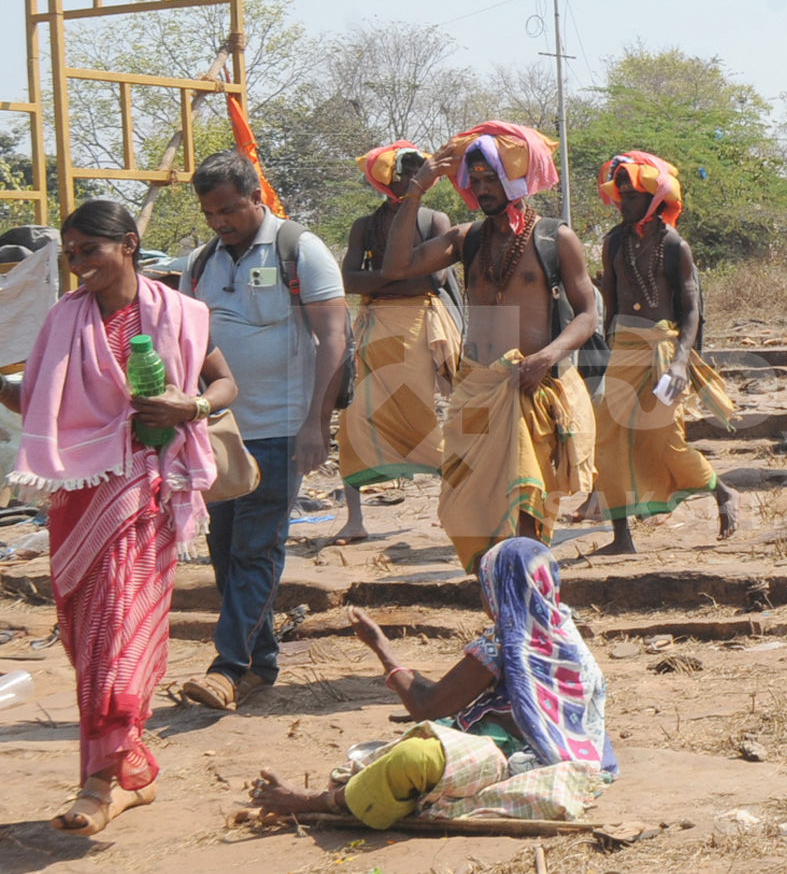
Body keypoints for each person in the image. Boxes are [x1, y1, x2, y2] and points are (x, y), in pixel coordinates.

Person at [3, 200, 236, 835]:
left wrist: (188, 407)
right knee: (88, 637)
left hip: (146, 489)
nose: (78, 264)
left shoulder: (181, 314)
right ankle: (130, 772)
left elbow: (224, 385)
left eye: (89, 250)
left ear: (129, 244)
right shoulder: (61, 321)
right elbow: (36, 402)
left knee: (118, 632)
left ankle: (99, 784)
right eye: (71, 253)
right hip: (78, 496)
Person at [247, 537, 617, 828]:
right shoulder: (566, 630)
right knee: (409, 750)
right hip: (571, 757)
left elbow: (428, 704)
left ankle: (314, 802)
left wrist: (381, 648)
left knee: (413, 757)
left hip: (507, 760)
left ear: (498, 590)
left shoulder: (505, 644)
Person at [378, 121, 597, 575]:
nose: (480, 188)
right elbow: (396, 266)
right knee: (466, 511)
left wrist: (547, 356)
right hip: (477, 390)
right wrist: (416, 190)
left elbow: (587, 313)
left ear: (516, 176)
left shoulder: (557, 238)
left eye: (490, 178)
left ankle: (533, 608)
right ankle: (501, 607)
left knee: (524, 511)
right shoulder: (467, 238)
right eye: (473, 180)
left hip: (530, 390)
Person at [181, 150, 348, 710]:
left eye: (228, 208)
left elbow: (334, 341)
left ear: (257, 196)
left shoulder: (300, 249)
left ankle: (227, 667)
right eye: (210, 213)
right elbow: (187, 348)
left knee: (256, 551)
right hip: (219, 432)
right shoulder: (200, 263)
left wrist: (315, 425)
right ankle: (260, 664)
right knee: (227, 553)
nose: (219, 221)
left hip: (280, 430)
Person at [587, 151, 739, 555]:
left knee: (664, 438)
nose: (623, 201)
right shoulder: (614, 241)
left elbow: (691, 309)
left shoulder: (674, 245)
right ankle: (622, 538)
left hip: (662, 352)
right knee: (608, 437)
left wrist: (680, 361)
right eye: (619, 194)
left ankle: (720, 490)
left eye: (631, 195)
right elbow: (613, 304)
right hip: (623, 350)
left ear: (653, 199)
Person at [332, 141, 461, 546]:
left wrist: (383, 275)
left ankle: (453, 506)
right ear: (386, 179)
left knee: (421, 419)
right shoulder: (364, 226)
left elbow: (434, 279)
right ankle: (354, 520)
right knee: (352, 423)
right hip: (372, 329)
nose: (412, 179)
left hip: (419, 328)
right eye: (404, 173)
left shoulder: (435, 219)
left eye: (417, 172)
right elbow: (348, 280)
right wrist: (398, 273)